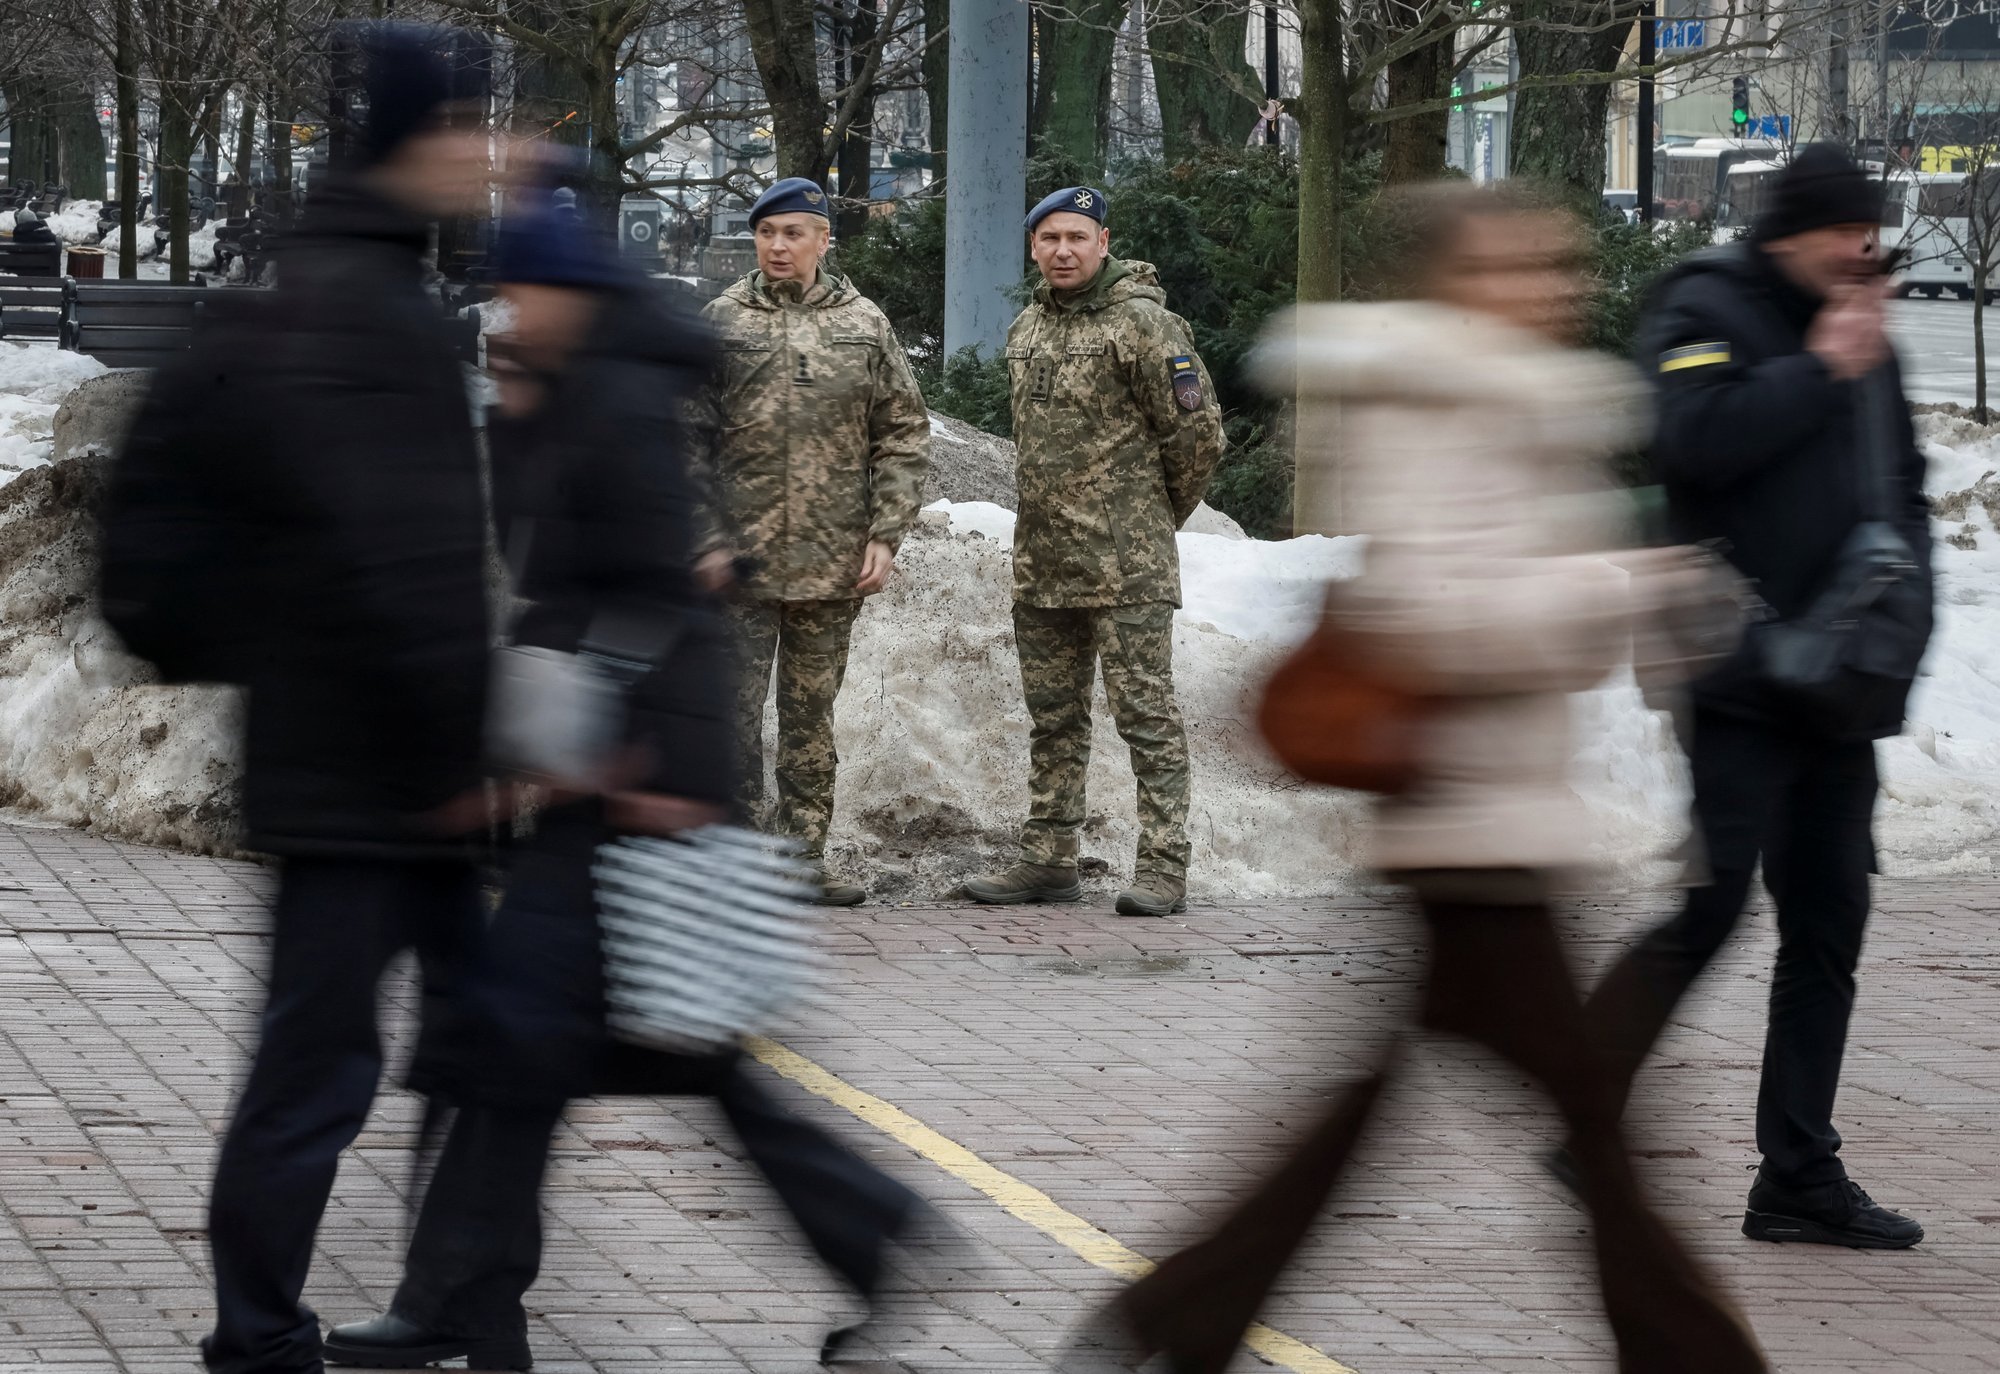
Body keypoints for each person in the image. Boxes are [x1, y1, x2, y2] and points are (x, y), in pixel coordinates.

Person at [1071, 181, 1767, 1374]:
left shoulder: (1512, 405)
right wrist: (1622, 591)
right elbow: (1437, 616)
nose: (1546, 287)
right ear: (1449, 282)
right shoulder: (1435, 408)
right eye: (1510, 267)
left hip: (1483, 816)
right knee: (1591, 1131)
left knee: (1390, 1112)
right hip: (1462, 817)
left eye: (1554, 265)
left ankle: (1174, 1321)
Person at [323, 197, 926, 1372]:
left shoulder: (618, 407)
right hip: (592, 786)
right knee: (542, 1056)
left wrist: (663, 778)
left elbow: (669, 604)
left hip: (635, 798)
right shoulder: (557, 395)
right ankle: (462, 1299)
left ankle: (864, 1231)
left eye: (522, 292)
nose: (508, 311)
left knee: (621, 1052)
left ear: (571, 297)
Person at [96, 24, 497, 1374]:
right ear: (417, 141)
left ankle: (451, 1303)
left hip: (358, 762)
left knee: (466, 1045)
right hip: (383, 780)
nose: (488, 160)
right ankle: (263, 1335)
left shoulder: (316, 295)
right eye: (470, 131)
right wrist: (460, 751)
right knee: (320, 1075)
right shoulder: (371, 320)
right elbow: (405, 566)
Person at [1571, 142, 1934, 1248]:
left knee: (1828, 917)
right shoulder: (1705, 302)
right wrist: (1814, 367)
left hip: (1835, 683)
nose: (1864, 252)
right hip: (1730, 669)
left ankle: (1796, 1176)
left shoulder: (1857, 318)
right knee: (1713, 903)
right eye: (1849, 233)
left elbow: (1900, 486)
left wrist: (1902, 619)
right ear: (1797, 230)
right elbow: (1687, 443)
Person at [964, 186, 1224, 917]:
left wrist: (1146, 518)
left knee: (1145, 716)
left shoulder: (1144, 326)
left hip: (1125, 566)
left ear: (1104, 243)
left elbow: (1198, 439)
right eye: (1049, 240)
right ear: (1033, 248)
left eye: (1077, 237)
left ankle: (1166, 866)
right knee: (1054, 717)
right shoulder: (1027, 329)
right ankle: (1049, 858)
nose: (1063, 251)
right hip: (1045, 562)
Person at [694, 176, 931, 907]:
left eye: (793, 233)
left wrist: (886, 534)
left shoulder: (863, 324)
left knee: (808, 725)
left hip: (832, 566)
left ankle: (801, 860)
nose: (777, 246)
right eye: (767, 233)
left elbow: (901, 433)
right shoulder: (722, 322)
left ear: (824, 241)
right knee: (730, 721)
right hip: (741, 563)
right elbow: (681, 438)